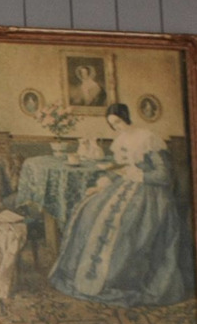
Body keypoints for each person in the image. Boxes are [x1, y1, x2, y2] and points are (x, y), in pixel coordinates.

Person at [49, 103, 194, 307]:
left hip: (150, 194)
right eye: (112, 124)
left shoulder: (147, 139)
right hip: (127, 185)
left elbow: (164, 176)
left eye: (117, 121)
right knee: (89, 209)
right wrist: (104, 183)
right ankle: (83, 275)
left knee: (122, 225)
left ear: (125, 117)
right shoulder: (121, 140)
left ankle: (112, 279)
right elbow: (124, 168)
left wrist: (135, 174)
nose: (116, 127)